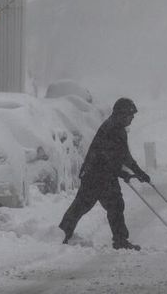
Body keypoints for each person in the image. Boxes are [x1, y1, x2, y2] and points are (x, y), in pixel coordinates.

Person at [59, 97, 150, 250]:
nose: (132, 118)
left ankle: (62, 233)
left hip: (100, 174)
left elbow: (121, 156)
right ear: (122, 114)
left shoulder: (117, 128)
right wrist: (126, 173)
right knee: (93, 205)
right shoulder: (112, 129)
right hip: (97, 175)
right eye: (130, 115)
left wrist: (138, 172)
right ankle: (62, 234)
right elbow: (109, 158)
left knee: (97, 206)